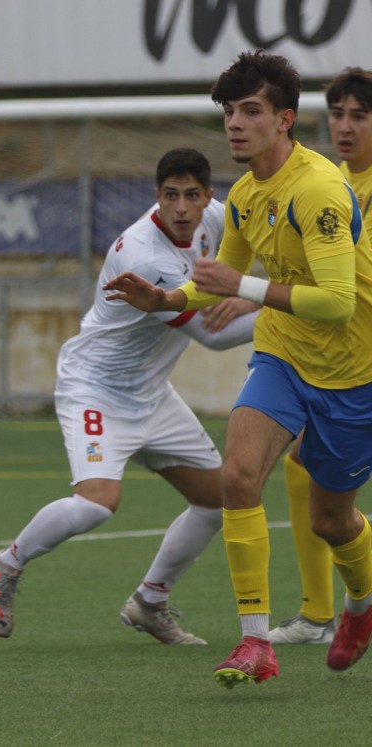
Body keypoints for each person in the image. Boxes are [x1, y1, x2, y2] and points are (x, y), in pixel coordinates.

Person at [104, 50, 372, 688]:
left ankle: (361, 607)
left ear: (284, 120)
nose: (234, 124)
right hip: (282, 355)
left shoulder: (318, 191)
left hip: (353, 371)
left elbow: (337, 304)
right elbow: (215, 279)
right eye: (228, 112)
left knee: (331, 521)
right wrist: (167, 299)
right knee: (239, 475)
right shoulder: (248, 194)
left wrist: (245, 287)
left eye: (250, 111)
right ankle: (255, 642)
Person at [0, 148, 258, 646]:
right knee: (97, 504)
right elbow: (214, 336)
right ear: (155, 197)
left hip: (152, 393)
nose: (181, 207)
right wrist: (292, 306)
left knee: (216, 502)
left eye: (191, 195)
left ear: (208, 198)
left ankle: (150, 603)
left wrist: (261, 289)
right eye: (170, 195)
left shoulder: (219, 220)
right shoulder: (145, 257)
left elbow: (267, 249)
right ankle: (7, 564)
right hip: (96, 390)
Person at [266, 66, 372, 647]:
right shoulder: (327, 180)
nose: (345, 125)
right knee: (302, 464)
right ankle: (316, 613)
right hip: (339, 355)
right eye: (337, 113)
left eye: (359, 114)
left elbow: (348, 289)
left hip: (361, 361)